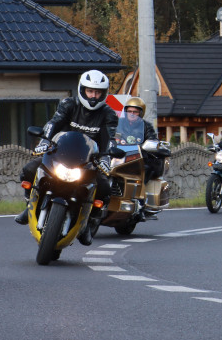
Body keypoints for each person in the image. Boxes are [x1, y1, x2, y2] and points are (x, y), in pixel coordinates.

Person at [14, 70, 117, 245]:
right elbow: (54, 123)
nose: (93, 96)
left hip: (89, 161)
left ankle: (90, 224)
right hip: (60, 155)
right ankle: (28, 207)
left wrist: (107, 158)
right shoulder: (68, 104)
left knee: (105, 189)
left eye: (98, 92)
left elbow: (110, 138)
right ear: (82, 90)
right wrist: (44, 141)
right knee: (29, 170)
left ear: (104, 94)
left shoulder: (109, 114)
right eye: (90, 91)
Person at [114, 96, 164, 215]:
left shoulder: (146, 126)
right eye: (129, 111)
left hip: (139, 158)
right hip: (120, 156)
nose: (132, 114)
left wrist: (150, 146)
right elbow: (110, 135)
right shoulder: (118, 124)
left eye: (135, 111)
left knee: (145, 170)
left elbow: (153, 139)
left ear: (141, 113)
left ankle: (140, 201)